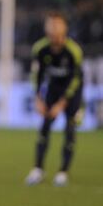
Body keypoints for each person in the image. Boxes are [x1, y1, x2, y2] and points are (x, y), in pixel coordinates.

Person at [25, 12, 84, 187]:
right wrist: (38, 99)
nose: (53, 29)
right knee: (44, 126)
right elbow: (37, 75)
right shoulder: (40, 49)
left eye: (57, 25)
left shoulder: (73, 51)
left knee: (70, 128)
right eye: (50, 25)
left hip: (71, 92)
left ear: (64, 28)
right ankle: (38, 169)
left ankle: (63, 172)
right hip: (53, 89)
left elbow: (76, 79)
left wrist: (62, 103)